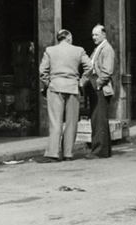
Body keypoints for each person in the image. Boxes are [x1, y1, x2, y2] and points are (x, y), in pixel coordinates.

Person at [37, 29, 92, 162]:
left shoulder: (50, 50)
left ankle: (53, 153)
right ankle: (68, 153)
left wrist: (48, 82)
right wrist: (81, 82)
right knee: (72, 122)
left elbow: (42, 71)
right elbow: (89, 67)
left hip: (55, 87)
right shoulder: (79, 50)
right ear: (69, 38)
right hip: (73, 87)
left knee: (56, 121)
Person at [84, 24, 116, 158]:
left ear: (104, 35)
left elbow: (107, 70)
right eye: (92, 35)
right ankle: (103, 150)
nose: (94, 37)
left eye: (96, 35)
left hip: (101, 88)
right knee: (98, 119)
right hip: (97, 87)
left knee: (99, 119)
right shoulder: (99, 48)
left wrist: (98, 84)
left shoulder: (106, 49)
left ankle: (99, 151)